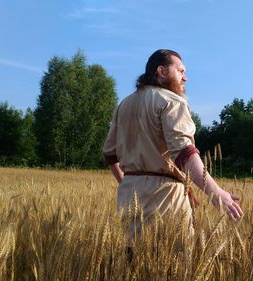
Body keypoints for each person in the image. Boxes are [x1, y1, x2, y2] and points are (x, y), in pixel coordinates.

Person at [102, 49, 243, 241]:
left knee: (133, 264)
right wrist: (215, 192)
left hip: (128, 198)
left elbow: (110, 155)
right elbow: (184, 152)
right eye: (181, 71)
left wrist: (129, 183)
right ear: (161, 71)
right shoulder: (171, 101)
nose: (185, 78)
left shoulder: (123, 105)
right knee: (173, 266)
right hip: (166, 200)